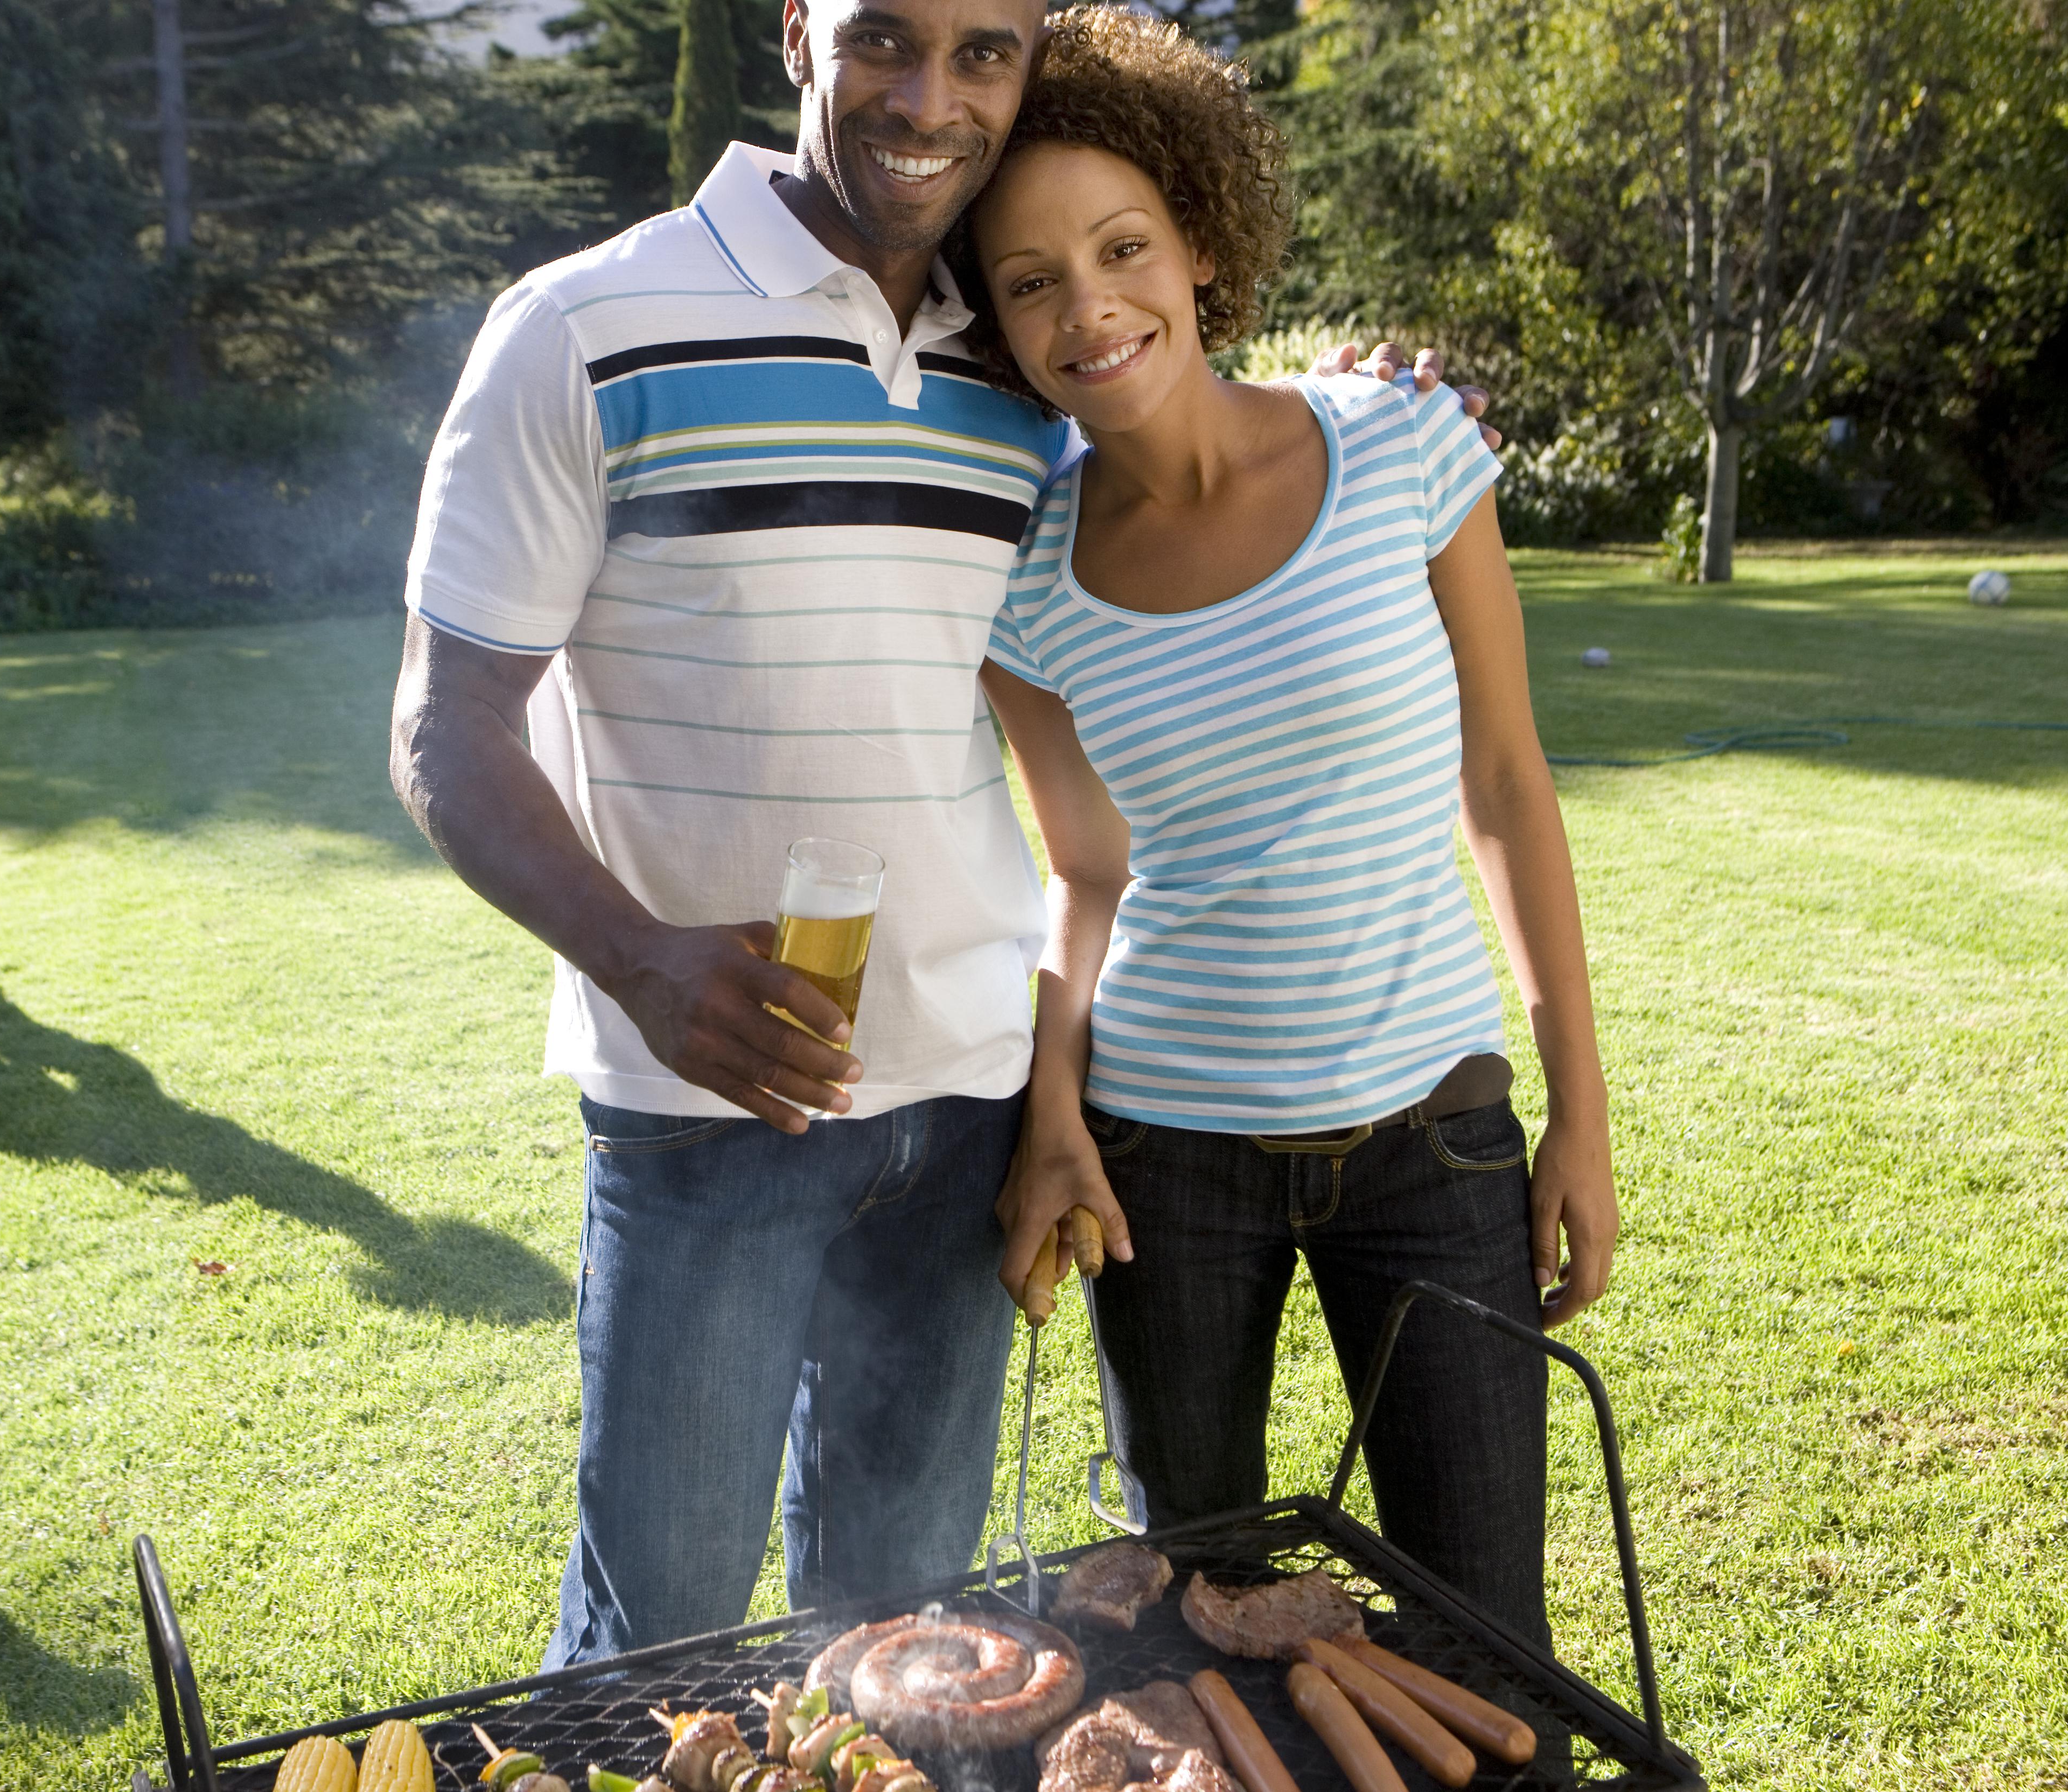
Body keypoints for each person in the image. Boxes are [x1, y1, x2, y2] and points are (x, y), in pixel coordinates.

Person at [393, 0, 1491, 1667]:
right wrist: (640, 963)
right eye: (883, 42)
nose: (930, 97)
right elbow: (441, 731)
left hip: (973, 1110)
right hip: (707, 1113)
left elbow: (1174, 393)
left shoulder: (1016, 351)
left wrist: (1359, 394)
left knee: (905, 1640)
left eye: (984, 52)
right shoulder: (579, 327)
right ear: (795, 33)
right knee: (654, 1644)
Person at [955, 7, 1615, 1648]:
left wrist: (1579, 1109)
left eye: (1122, 248)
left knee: (1485, 1626)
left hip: (1435, 1133)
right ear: (995, 317)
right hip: (1159, 1167)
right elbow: (1082, 874)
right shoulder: (1025, 583)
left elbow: (1507, 784)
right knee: (1197, 1618)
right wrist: (1052, 1111)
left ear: (1198, 245)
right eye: (1031, 279)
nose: (1087, 306)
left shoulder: (1398, 444)